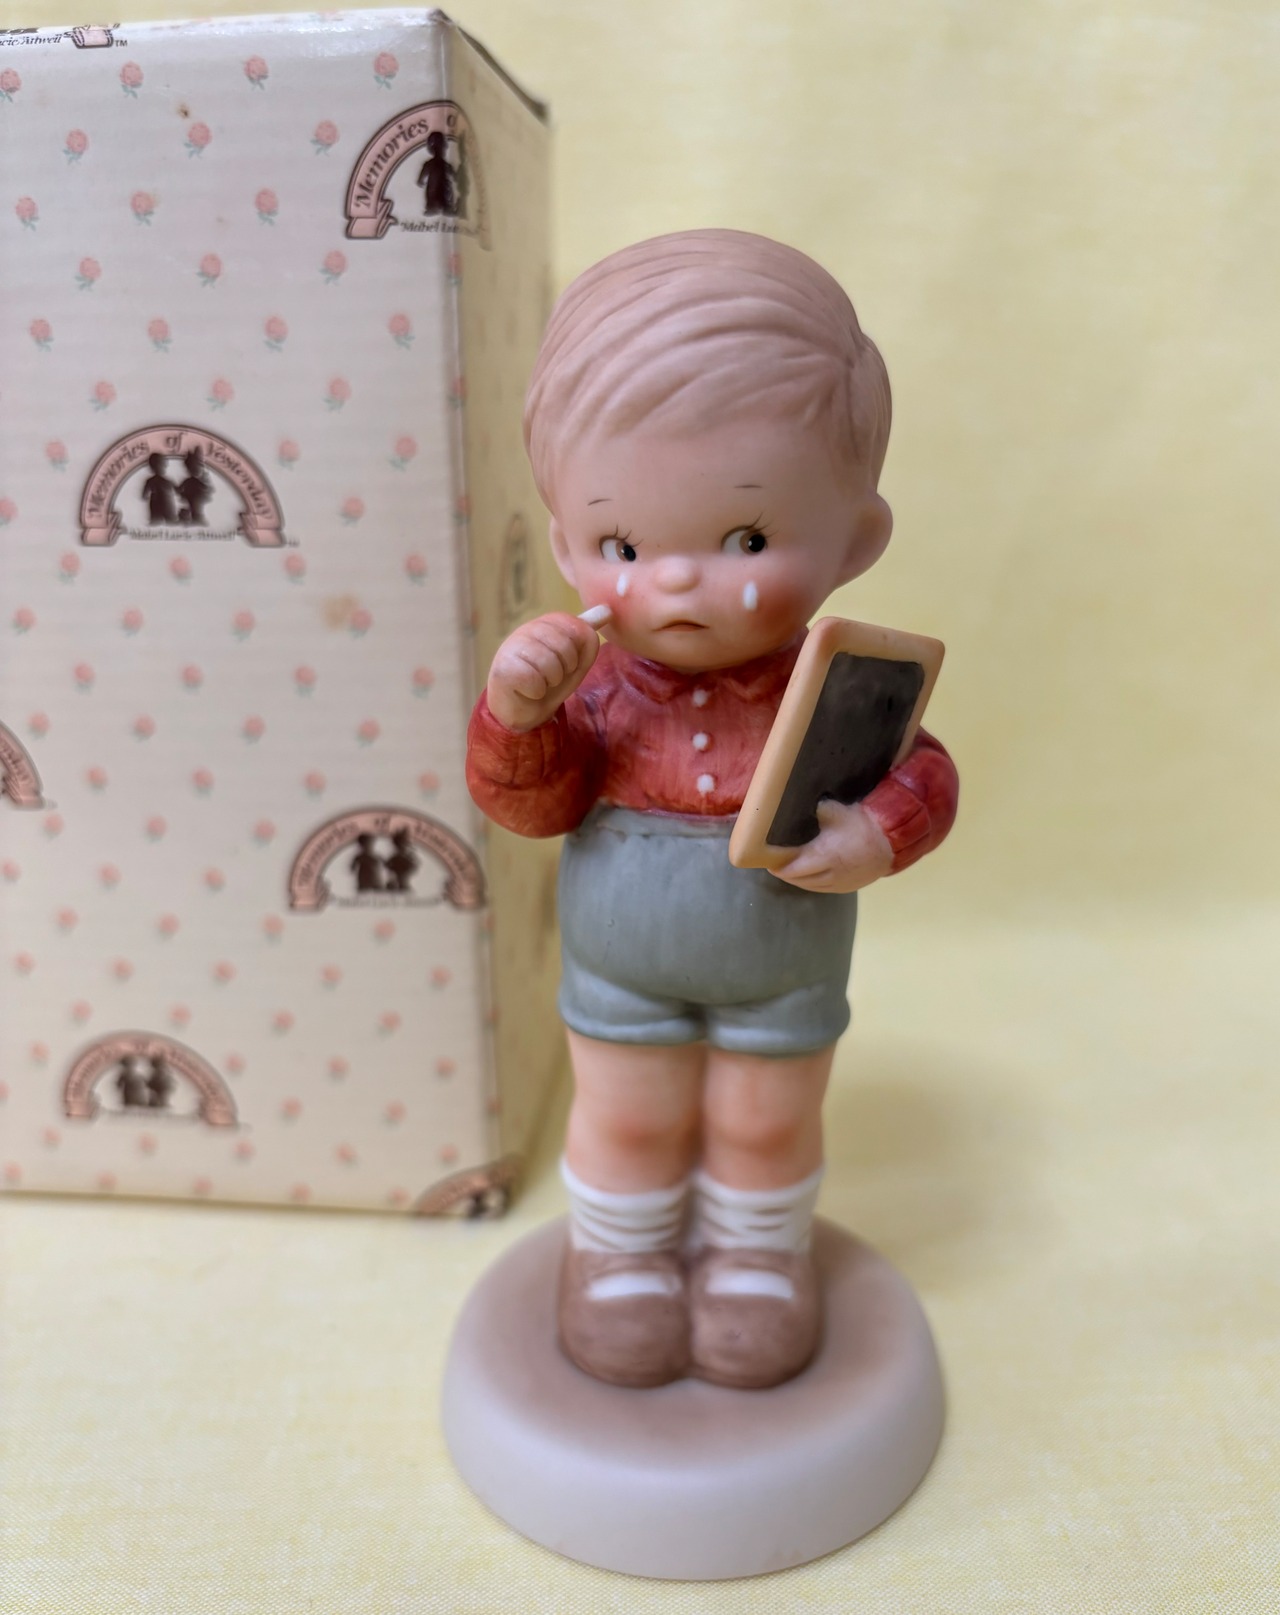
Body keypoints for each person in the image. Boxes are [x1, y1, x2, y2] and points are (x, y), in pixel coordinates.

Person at [466, 231, 958, 1391]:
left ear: (855, 540)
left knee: (763, 1121)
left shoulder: (839, 686)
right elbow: (531, 804)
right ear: (565, 545)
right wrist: (518, 713)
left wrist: (874, 832)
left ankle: (756, 1258)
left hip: (782, 964)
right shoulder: (590, 686)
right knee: (626, 1118)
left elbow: (922, 773)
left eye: (744, 539)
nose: (677, 579)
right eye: (622, 544)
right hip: (621, 969)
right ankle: (618, 1260)